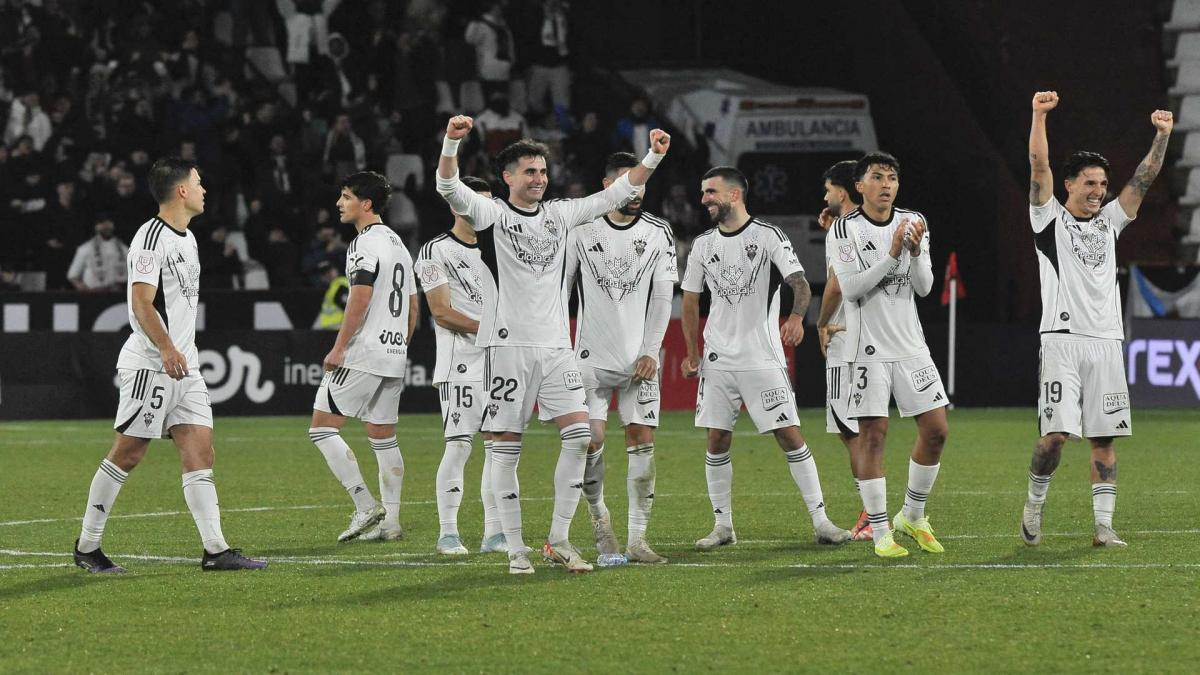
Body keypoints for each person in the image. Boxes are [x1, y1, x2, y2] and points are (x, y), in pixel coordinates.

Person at [436, 114, 671, 574]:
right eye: (529, 171)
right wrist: (450, 144)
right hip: (508, 348)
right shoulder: (495, 215)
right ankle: (515, 548)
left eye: (543, 171)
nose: (539, 178)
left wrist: (653, 157)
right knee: (505, 447)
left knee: (581, 435)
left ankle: (559, 539)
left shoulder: (563, 214)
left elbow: (616, 193)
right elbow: (449, 188)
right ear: (508, 178)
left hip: (557, 348)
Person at [72, 158, 266, 573]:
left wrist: (180, 354)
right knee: (128, 453)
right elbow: (142, 302)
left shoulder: (188, 239)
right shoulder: (149, 238)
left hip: (185, 366)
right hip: (152, 363)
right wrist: (165, 349)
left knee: (200, 450)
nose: (203, 189)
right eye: (198, 182)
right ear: (181, 190)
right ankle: (87, 547)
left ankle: (216, 550)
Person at [1021, 92, 1173, 548]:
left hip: (1106, 342)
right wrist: (1038, 116)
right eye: (1089, 184)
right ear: (1069, 185)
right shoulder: (1047, 221)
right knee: (1054, 438)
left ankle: (1103, 527)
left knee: (1104, 439)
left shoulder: (1110, 222)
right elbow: (1038, 168)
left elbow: (1144, 178)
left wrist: (1162, 136)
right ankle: (1034, 502)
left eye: (1102, 185)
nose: (1098, 192)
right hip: (1062, 341)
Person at [680, 166, 850, 551]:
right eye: (703, 192)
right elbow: (690, 300)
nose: (704, 198)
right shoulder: (703, 245)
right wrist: (693, 353)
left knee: (789, 435)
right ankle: (723, 526)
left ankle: (821, 520)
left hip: (762, 358)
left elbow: (799, 283)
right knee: (716, 439)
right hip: (719, 360)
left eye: (711, 192)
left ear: (734, 196)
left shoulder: (767, 236)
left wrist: (794, 317)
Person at [826, 152, 949, 558]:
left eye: (892, 178)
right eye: (877, 177)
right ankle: (881, 533)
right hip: (867, 350)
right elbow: (853, 288)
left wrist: (913, 254)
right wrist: (893, 253)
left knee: (936, 430)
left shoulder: (915, 221)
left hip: (911, 345)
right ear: (859, 186)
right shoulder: (844, 230)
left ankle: (912, 516)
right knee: (872, 438)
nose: (886, 185)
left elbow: (926, 287)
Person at [563, 152, 676, 563]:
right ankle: (599, 519)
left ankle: (638, 540)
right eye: (630, 183)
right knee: (589, 441)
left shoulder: (659, 231)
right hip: (590, 360)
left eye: (642, 183)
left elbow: (664, 295)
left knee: (642, 442)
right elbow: (562, 290)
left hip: (637, 362)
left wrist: (651, 350)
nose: (638, 191)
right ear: (608, 184)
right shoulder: (580, 229)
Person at [308, 171, 416, 543]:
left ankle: (365, 505)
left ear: (365, 204)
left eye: (346, 196)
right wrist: (399, 344)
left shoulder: (364, 244)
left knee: (322, 428)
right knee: (383, 435)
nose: (339, 203)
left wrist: (339, 347)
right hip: (393, 353)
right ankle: (392, 523)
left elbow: (360, 296)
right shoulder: (398, 244)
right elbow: (413, 305)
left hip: (365, 351)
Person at [415, 176, 504, 556]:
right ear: (456, 206)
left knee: (500, 448)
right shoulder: (435, 251)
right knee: (460, 446)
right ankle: (448, 533)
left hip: (501, 363)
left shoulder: (501, 250)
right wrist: (494, 329)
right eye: (473, 203)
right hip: (462, 364)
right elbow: (440, 312)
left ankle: (494, 533)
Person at [815, 160, 872, 541]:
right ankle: (875, 509)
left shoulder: (842, 228)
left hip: (845, 337)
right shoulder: (869, 223)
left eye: (829, 189)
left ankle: (871, 513)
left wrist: (820, 322)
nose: (825, 196)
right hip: (872, 336)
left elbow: (836, 283)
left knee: (850, 430)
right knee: (864, 427)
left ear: (843, 191)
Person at [67, 215, 128, 292]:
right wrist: (86, 291)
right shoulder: (86, 248)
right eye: (103, 224)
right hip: (95, 294)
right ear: (96, 227)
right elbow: (73, 276)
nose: (106, 226)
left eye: (109, 223)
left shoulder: (123, 248)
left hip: (117, 294)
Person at [315, 260, 349, 329]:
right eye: (324, 273)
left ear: (335, 270)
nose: (328, 275)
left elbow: (347, 306)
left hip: (339, 326)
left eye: (329, 271)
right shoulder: (331, 288)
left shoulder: (340, 284)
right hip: (330, 327)